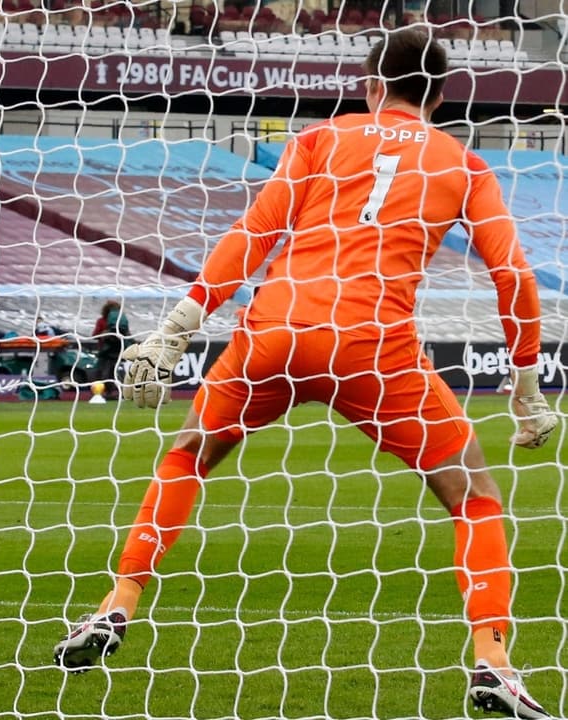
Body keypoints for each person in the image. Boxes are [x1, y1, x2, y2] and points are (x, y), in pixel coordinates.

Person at [54, 28, 559, 719]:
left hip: (275, 331)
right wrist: (527, 391)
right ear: (439, 97)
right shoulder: (464, 164)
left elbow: (254, 234)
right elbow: (514, 277)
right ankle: (492, 658)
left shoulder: (321, 138)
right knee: (473, 496)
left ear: (371, 85)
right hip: (372, 347)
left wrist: (176, 330)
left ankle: (119, 602)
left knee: (188, 456)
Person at [92, 300, 128, 400]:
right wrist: (104, 334)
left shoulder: (121, 322)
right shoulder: (102, 321)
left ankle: (120, 392)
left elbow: (126, 334)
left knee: (116, 372)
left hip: (116, 351)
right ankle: (105, 392)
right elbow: (94, 335)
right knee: (105, 372)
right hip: (106, 352)